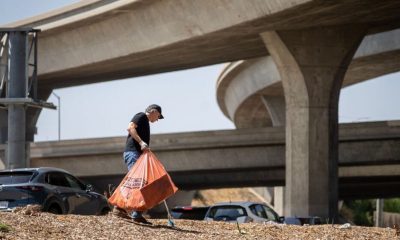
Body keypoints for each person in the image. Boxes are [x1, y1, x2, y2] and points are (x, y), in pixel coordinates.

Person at [113, 104, 164, 224]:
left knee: (139, 183)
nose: (157, 120)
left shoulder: (145, 122)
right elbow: (130, 128)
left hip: (137, 154)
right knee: (138, 183)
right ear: (153, 111)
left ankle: (131, 212)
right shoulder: (140, 116)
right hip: (133, 153)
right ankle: (123, 209)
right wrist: (141, 143)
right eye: (158, 116)